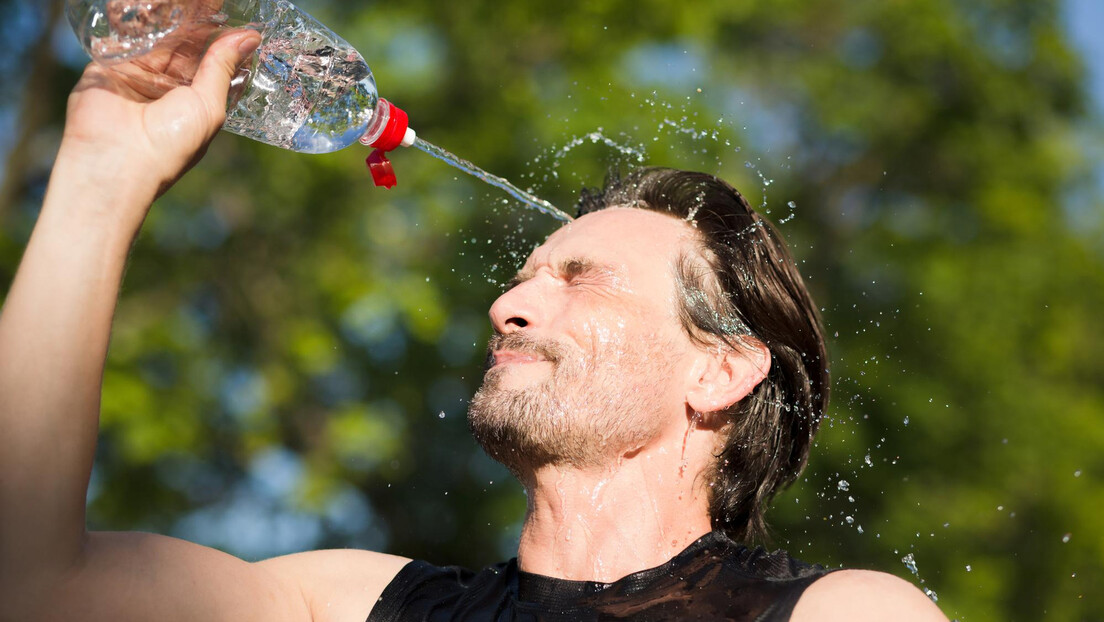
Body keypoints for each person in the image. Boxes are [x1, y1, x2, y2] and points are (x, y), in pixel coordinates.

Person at [0, 31, 948, 622]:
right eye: (521, 277)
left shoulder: (841, 613)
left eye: (585, 278)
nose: (507, 305)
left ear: (721, 373)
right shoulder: (351, 605)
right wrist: (99, 177)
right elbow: (28, 586)